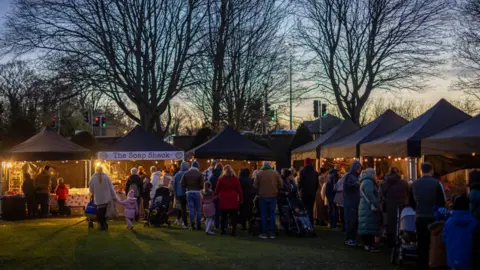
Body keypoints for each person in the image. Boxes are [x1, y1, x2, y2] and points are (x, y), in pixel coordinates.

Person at [409, 162, 446, 270]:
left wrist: (418, 209)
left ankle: (421, 265)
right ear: (432, 170)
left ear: (421, 170)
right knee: (433, 244)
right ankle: (433, 263)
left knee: (421, 244)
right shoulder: (436, 184)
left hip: (420, 217)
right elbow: (442, 202)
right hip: (433, 218)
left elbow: (411, 202)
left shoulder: (414, 184)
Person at [442, 194, 477, 270]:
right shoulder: (473, 222)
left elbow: (444, 239)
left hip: (452, 259)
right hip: (469, 260)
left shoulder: (448, 222)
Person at [379, 166, 409, 247]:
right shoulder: (404, 183)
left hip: (389, 207)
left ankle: (390, 241)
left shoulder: (384, 184)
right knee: (400, 224)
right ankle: (399, 241)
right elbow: (408, 194)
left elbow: (381, 196)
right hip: (401, 206)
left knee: (389, 224)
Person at [254, 161, 283, 239]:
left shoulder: (259, 173)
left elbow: (255, 185)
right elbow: (281, 184)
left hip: (262, 196)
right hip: (273, 196)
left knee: (264, 215)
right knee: (272, 215)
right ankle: (272, 233)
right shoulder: (275, 173)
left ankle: (264, 233)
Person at [215, 165, 243, 236]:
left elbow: (217, 189)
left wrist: (216, 195)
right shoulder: (235, 179)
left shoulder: (221, 179)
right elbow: (239, 190)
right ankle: (233, 231)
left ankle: (222, 230)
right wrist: (241, 199)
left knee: (223, 216)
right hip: (233, 199)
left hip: (223, 199)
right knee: (234, 216)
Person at [357, 168, 380, 252]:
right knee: (368, 225)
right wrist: (377, 204)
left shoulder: (365, 181)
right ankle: (368, 245)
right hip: (368, 207)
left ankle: (367, 244)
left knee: (366, 225)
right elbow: (370, 195)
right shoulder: (369, 182)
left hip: (365, 206)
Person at [89, 166, 117, 231]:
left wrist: (94, 193)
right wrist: (114, 196)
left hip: (98, 199)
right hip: (106, 198)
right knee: (104, 212)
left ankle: (102, 225)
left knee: (99, 212)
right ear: (102, 170)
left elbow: (91, 188)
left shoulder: (93, 178)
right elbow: (111, 187)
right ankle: (104, 224)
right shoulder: (106, 177)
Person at [181, 160, 204, 230]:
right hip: (197, 192)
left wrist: (187, 187)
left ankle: (192, 225)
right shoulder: (200, 174)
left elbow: (182, 183)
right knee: (198, 210)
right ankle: (199, 225)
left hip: (189, 192)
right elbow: (202, 184)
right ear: (197, 166)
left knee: (191, 210)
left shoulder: (186, 173)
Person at [343, 160, 362, 247]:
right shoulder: (349, 176)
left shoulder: (355, 176)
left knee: (354, 222)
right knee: (351, 221)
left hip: (354, 202)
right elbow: (346, 187)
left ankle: (352, 239)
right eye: (357, 167)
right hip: (350, 202)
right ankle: (349, 239)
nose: (359, 169)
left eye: (360, 167)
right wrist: (355, 184)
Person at [297, 158, 319, 226]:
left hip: (305, 193)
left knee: (305, 209)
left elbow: (301, 183)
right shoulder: (315, 172)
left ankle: (306, 223)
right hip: (312, 193)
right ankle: (311, 223)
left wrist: (300, 190)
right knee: (311, 208)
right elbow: (317, 184)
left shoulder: (302, 171)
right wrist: (314, 191)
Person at [173, 161, 189, 229]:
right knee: (187, 208)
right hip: (187, 192)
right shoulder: (187, 173)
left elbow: (174, 186)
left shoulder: (177, 175)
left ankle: (184, 223)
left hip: (179, 193)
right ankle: (186, 223)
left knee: (182, 208)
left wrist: (175, 194)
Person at [209, 163, 223, 230]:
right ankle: (223, 225)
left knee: (215, 210)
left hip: (214, 194)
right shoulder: (222, 176)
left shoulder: (212, 176)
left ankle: (215, 224)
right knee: (222, 210)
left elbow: (210, 186)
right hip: (222, 195)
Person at [326, 165, 340, 230]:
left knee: (330, 209)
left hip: (329, 193)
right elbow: (335, 185)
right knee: (334, 209)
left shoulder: (329, 174)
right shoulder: (335, 174)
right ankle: (333, 225)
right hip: (333, 194)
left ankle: (330, 223)